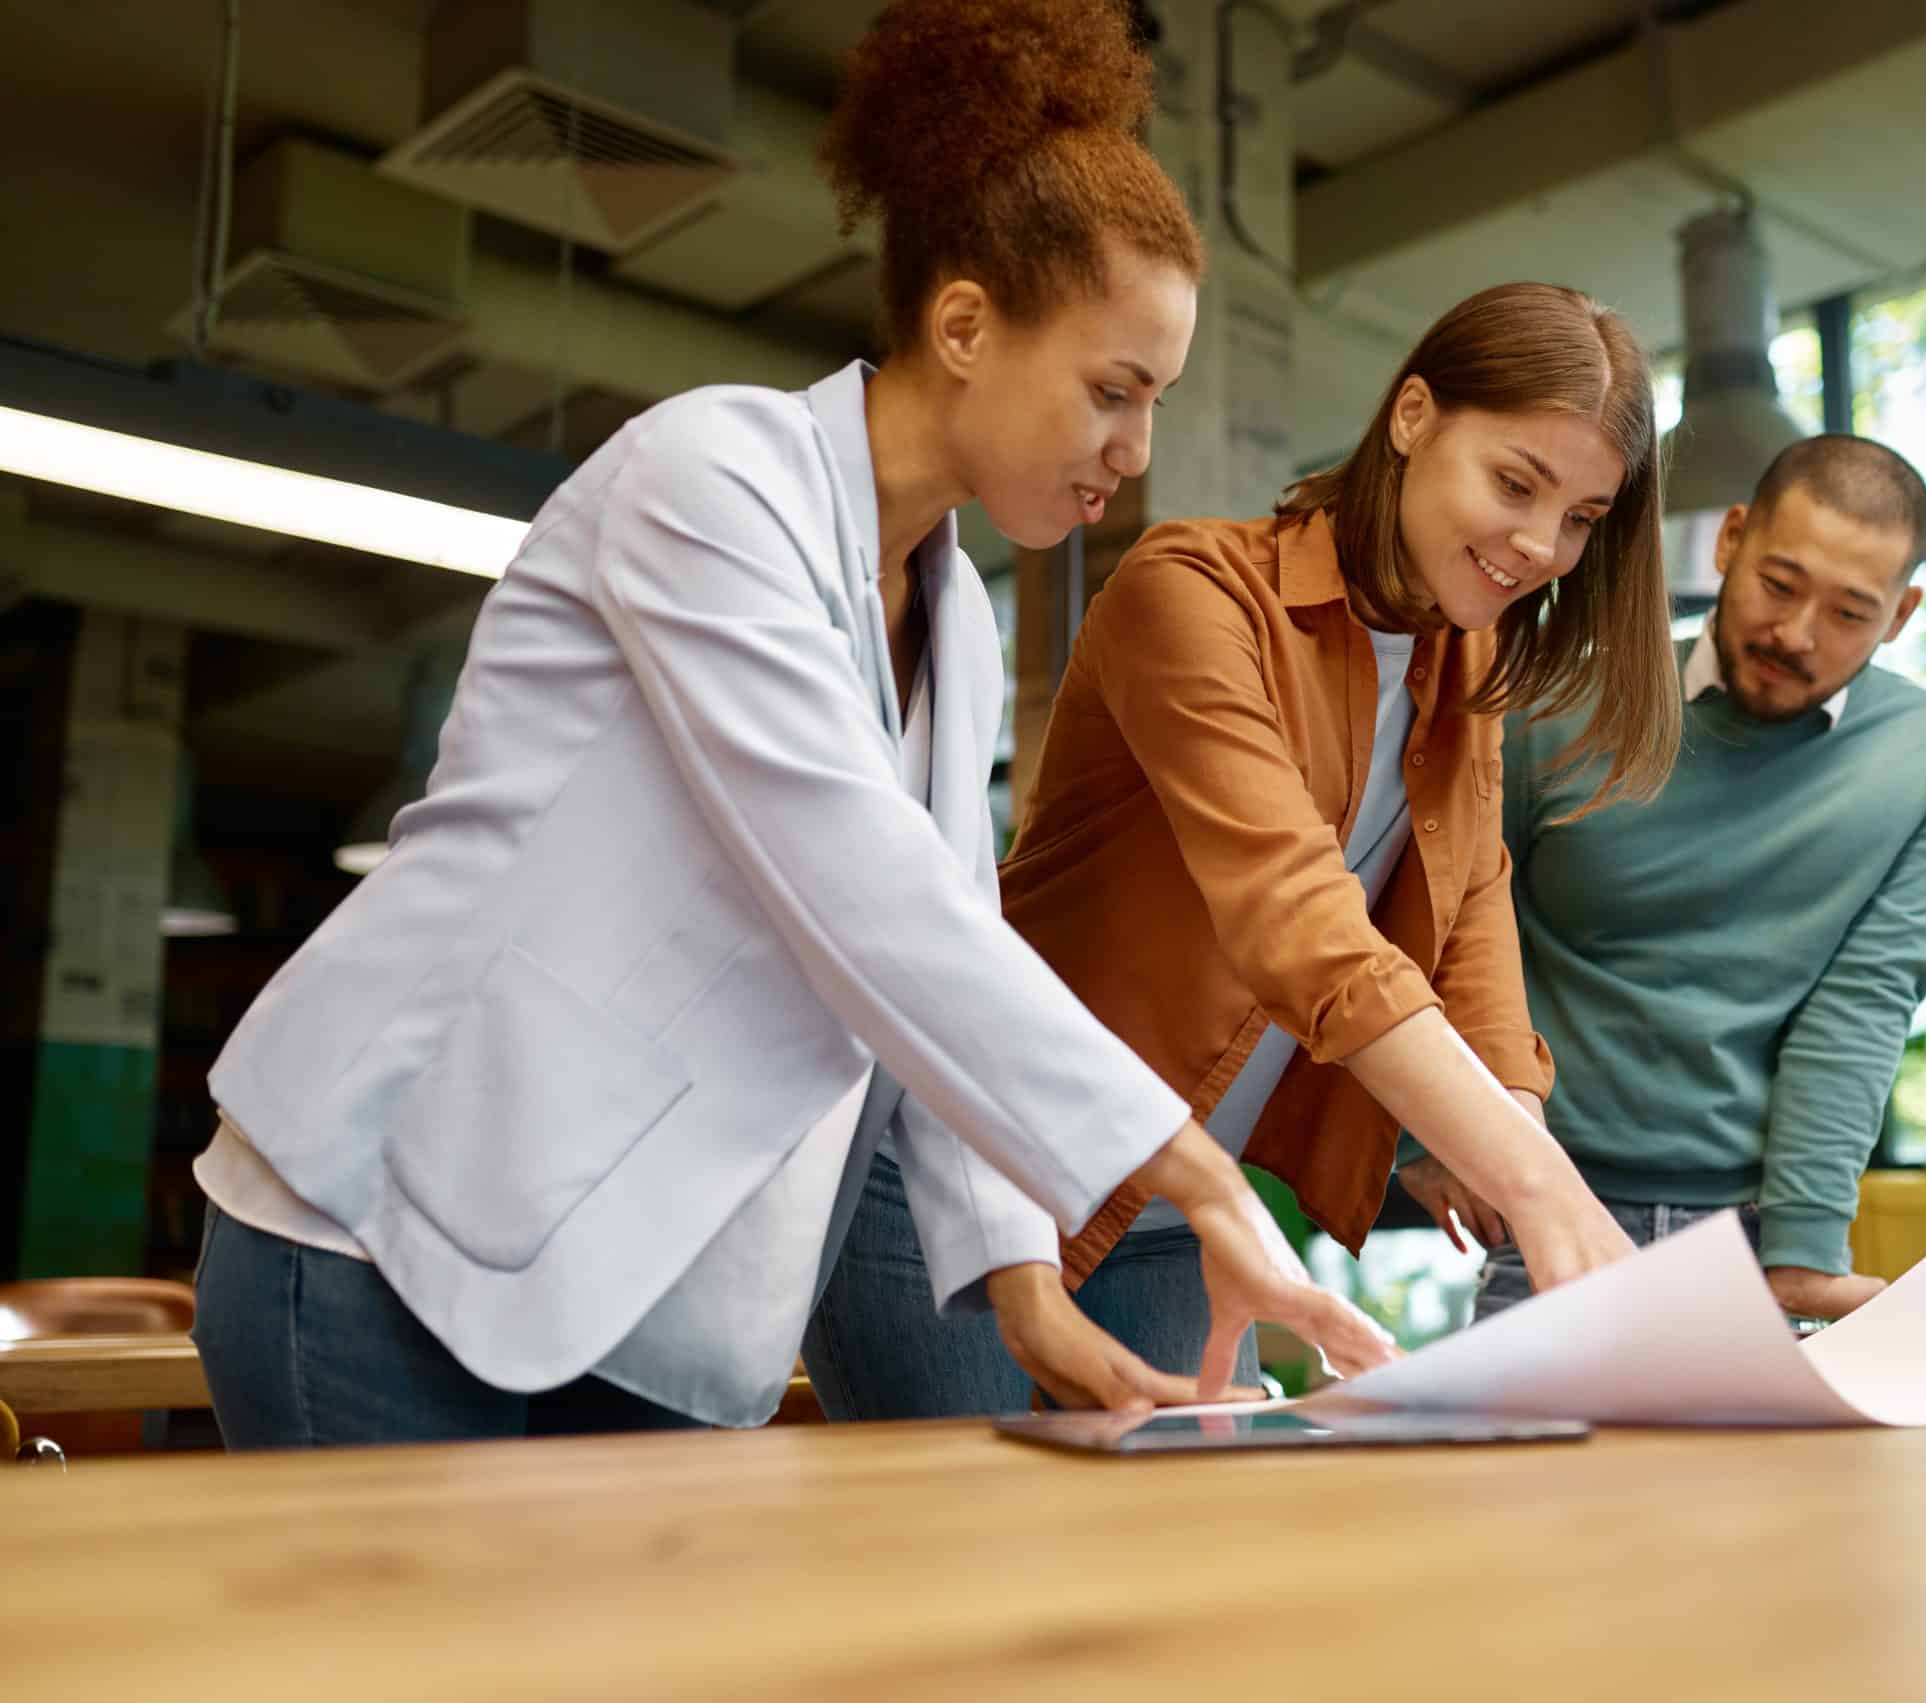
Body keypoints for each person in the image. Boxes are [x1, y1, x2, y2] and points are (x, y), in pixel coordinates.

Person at [185, 0, 1392, 1449]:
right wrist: (1190, 1171)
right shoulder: (709, 481)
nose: (1133, 452)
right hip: (382, 1219)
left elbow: (939, 969)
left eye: (1155, 402)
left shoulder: (953, 619)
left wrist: (1022, 1285)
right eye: (1111, 391)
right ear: (963, 324)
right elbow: (868, 903)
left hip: (627, 1286)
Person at [808, 282, 1684, 1419]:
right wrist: (1543, 1183)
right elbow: (1299, 921)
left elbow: (1472, 909)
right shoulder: (1192, 590)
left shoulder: (1462, 670)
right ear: (1412, 415)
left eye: (1580, 516)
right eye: (1515, 482)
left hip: (1171, 1208)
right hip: (958, 1170)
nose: (1537, 543)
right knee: (976, 1558)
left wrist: (1506, 1129)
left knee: (1173, 1570)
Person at [1401, 434, 1926, 1324]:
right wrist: (1429, 1130)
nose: (1795, 635)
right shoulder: (1557, 699)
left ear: (1903, 614)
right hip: (1547, 1208)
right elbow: (1441, 911)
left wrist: (1803, 1248)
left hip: (1751, 1240)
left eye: (1848, 613)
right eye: (1779, 584)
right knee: (1526, 1471)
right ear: (1730, 542)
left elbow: (1865, 1001)